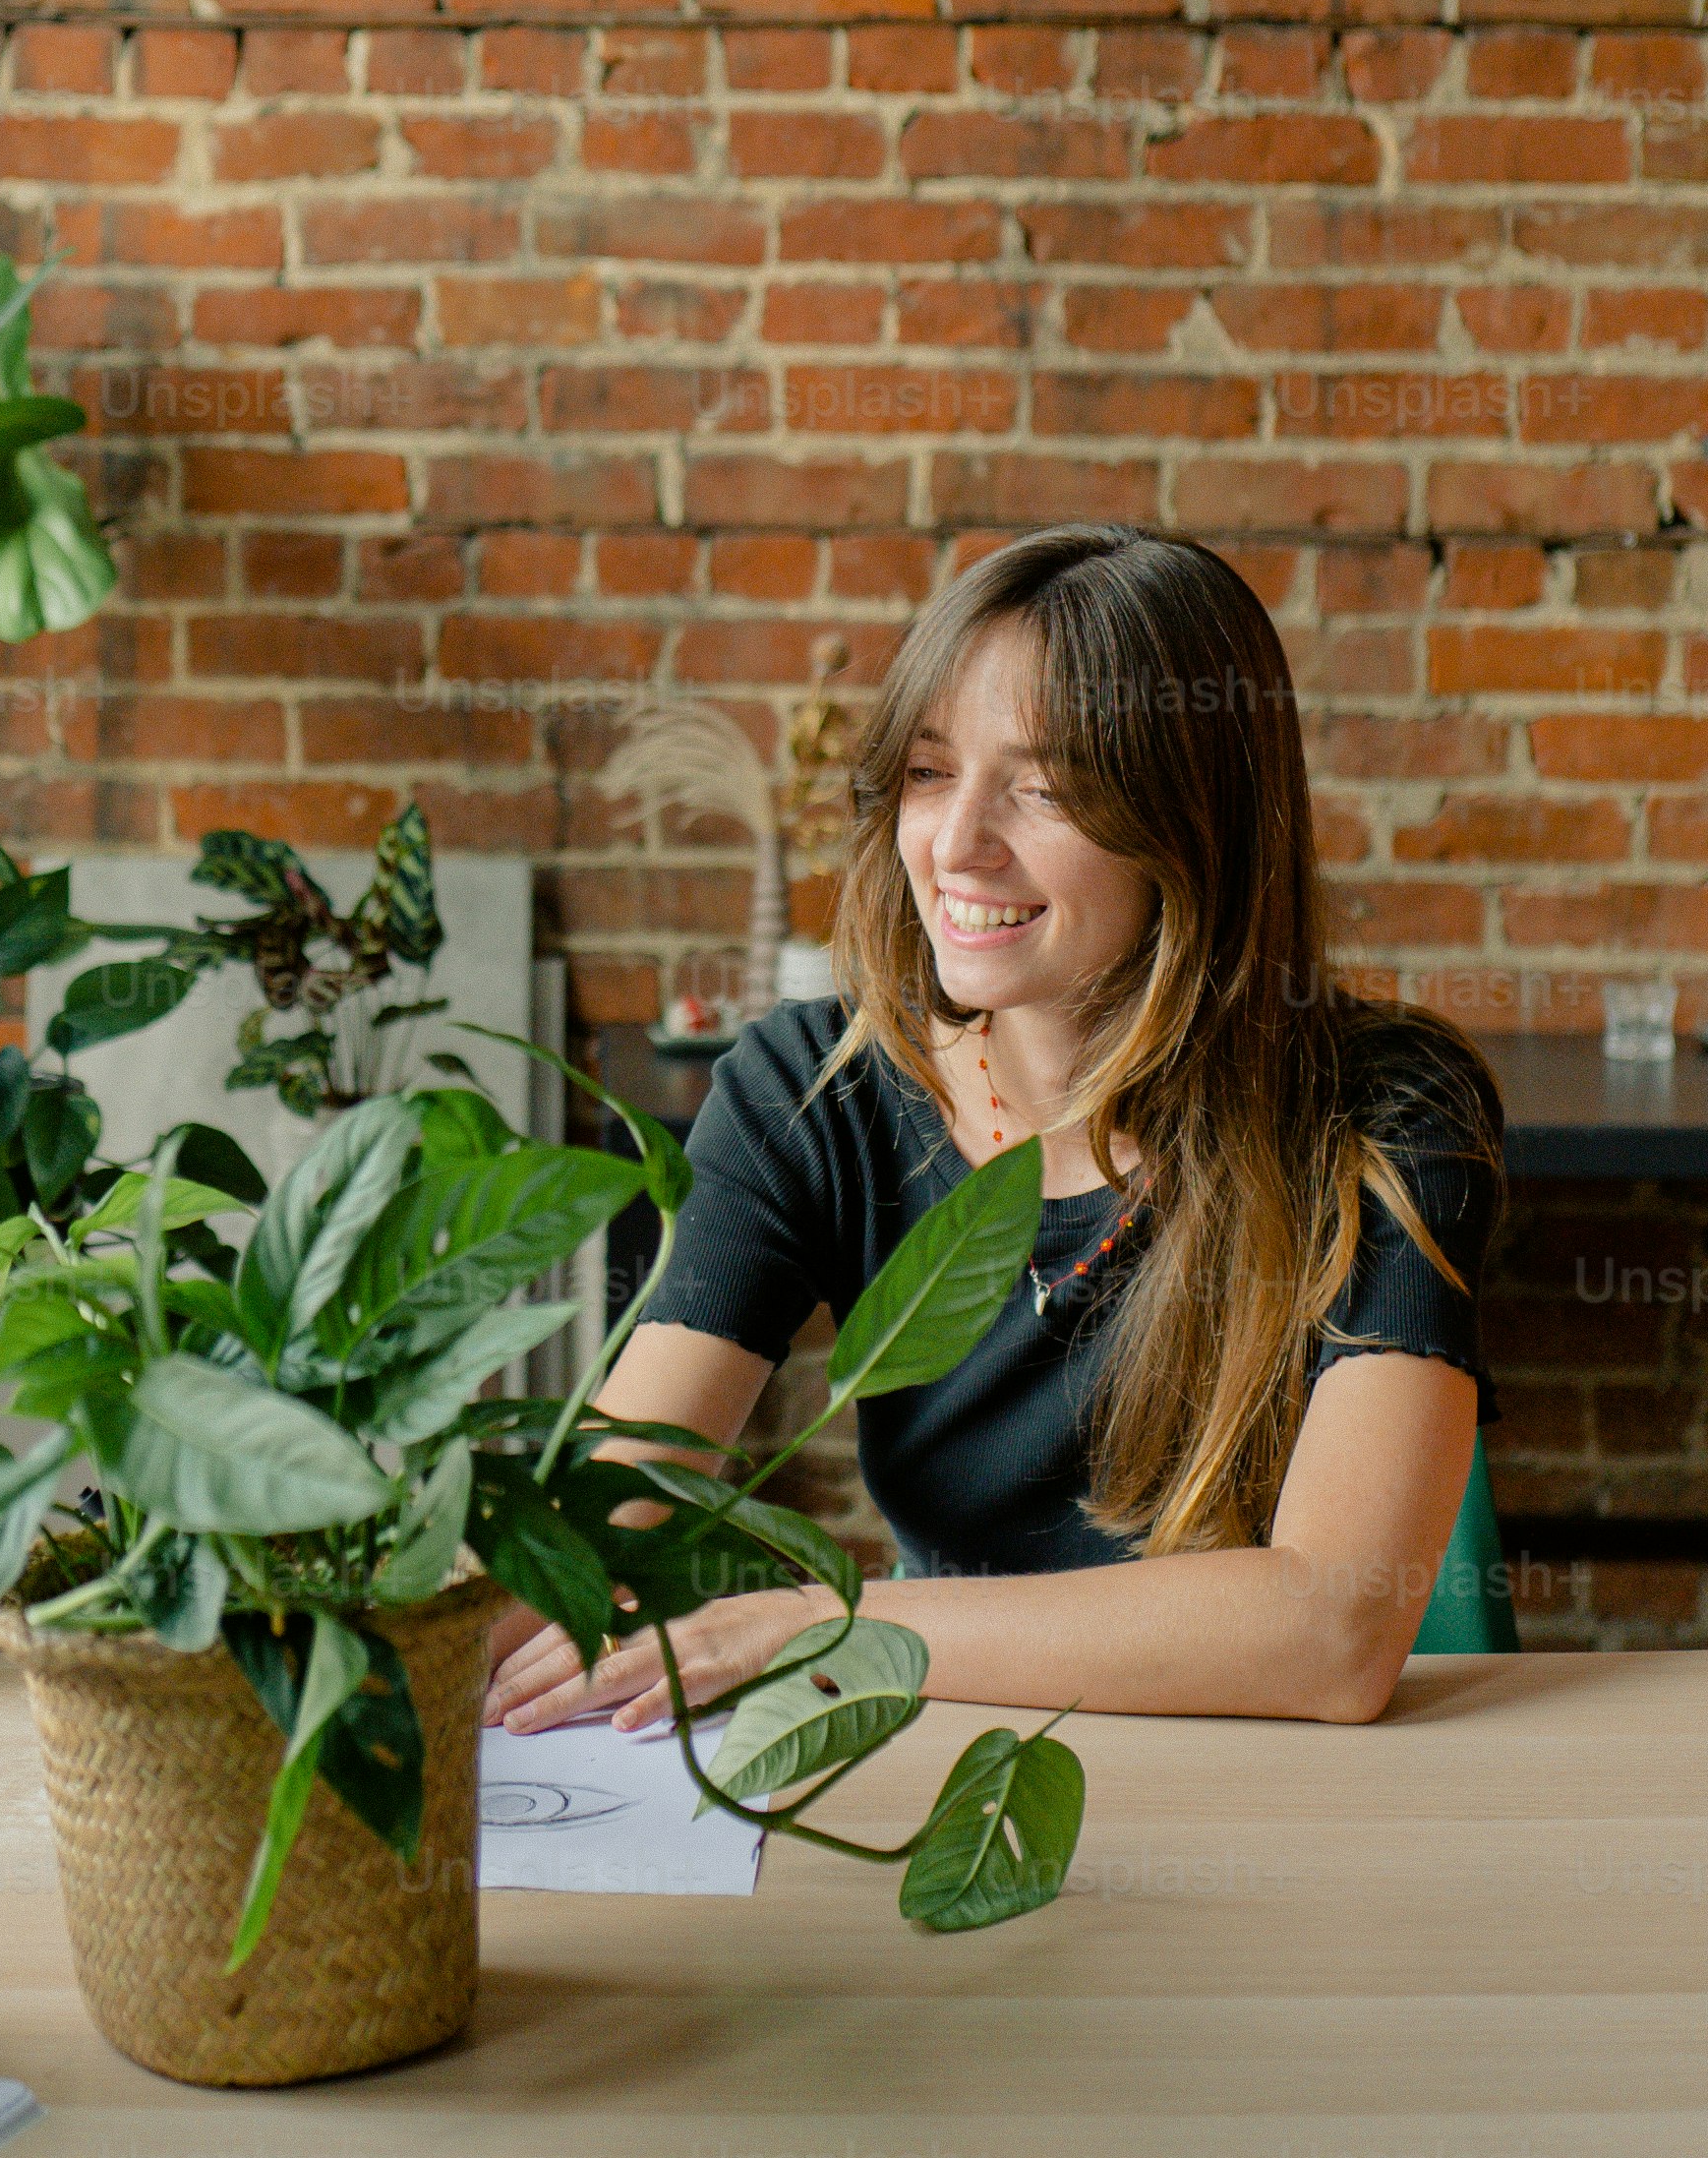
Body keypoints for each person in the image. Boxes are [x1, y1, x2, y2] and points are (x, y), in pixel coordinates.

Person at [485, 526, 1502, 1733]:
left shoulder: (1385, 1111)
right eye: (928, 772)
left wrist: (822, 1624)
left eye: (1045, 785)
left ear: (1193, 825)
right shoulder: (814, 1091)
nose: (956, 843)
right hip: (966, 1747)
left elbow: (1331, 1632)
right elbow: (607, 1509)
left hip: (1306, 1786)